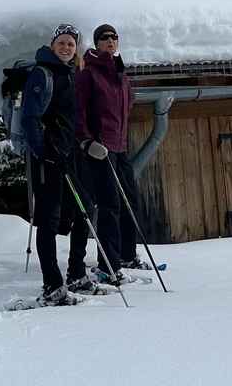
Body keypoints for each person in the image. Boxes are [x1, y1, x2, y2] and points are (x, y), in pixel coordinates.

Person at [21, 24, 95, 305]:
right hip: (49, 158)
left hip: (70, 154)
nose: (66, 47)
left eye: (71, 44)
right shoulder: (43, 73)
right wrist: (43, 150)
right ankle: (52, 284)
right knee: (48, 220)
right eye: (61, 43)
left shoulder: (70, 74)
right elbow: (30, 117)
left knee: (85, 208)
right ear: (52, 45)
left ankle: (77, 272)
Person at [79, 23, 150, 275]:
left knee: (130, 200)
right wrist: (88, 140)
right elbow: (80, 111)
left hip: (120, 147)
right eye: (104, 38)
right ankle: (108, 264)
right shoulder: (89, 74)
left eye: (114, 37)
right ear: (97, 43)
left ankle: (127, 255)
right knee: (110, 205)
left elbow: (127, 103)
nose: (110, 41)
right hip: (100, 149)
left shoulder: (120, 74)